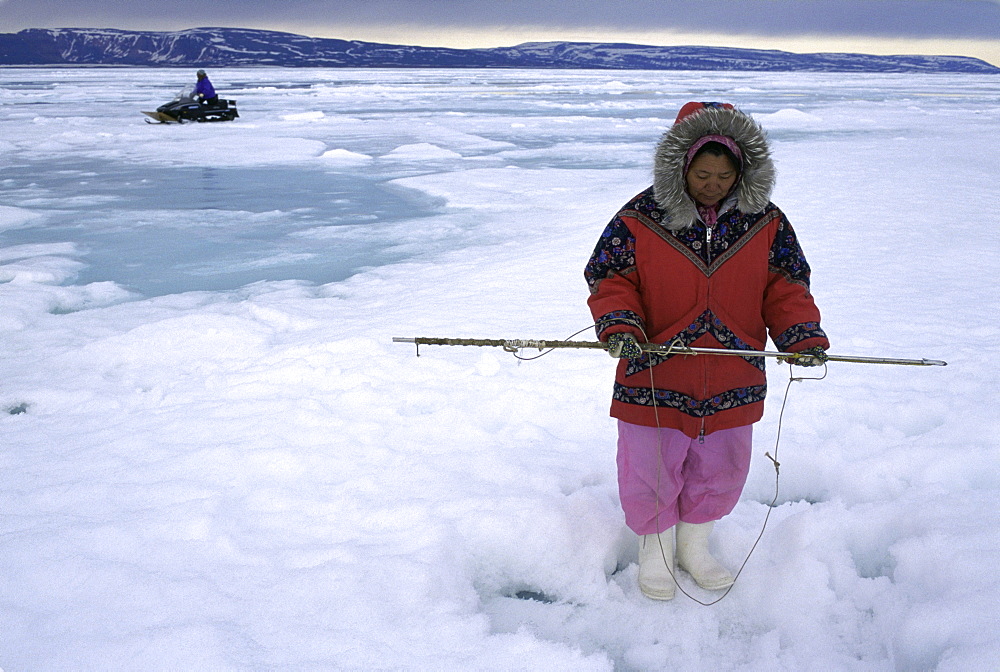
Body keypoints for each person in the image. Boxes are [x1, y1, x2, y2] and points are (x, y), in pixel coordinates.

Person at [584, 101, 829, 601]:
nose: (712, 183)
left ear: (742, 171)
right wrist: (620, 325)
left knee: (722, 466)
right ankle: (655, 553)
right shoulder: (639, 217)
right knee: (648, 466)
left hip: (733, 372)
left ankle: (695, 547)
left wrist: (801, 335)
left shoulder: (767, 222)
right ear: (680, 166)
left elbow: (786, 286)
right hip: (653, 369)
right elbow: (610, 277)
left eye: (723, 174)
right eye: (702, 173)